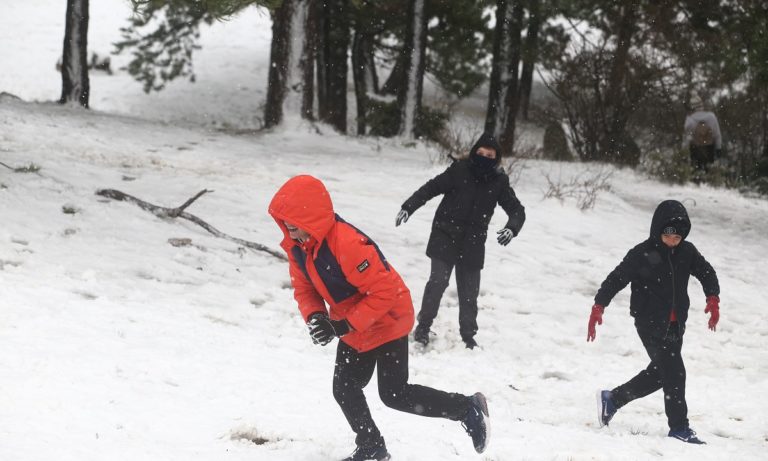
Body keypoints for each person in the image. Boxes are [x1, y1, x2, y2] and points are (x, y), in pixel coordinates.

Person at [268, 175, 490, 461]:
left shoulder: (347, 244)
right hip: (352, 323)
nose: (292, 234)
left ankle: (467, 408)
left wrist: (344, 325)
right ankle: (372, 447)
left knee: (395, 394)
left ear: (310, 218)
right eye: (286, 227)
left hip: (388, 319)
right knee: (345, 388)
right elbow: (304, 287)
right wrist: (315, 318)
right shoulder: (299, 249)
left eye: (295, 227)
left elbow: (384, 292)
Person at [587, 199, 720, 444]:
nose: (673, 241)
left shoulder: (687, 252)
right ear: (658, 229)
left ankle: (613, 399)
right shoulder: (642, 253)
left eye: (678, 237)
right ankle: (679, 427)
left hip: (675, 324)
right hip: (649, 322)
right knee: (675, 371)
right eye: (668, 236)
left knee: (662, 373)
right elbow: (616, 279)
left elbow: (707, 272)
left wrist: (713, 297)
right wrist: (599, 305)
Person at [396, 132, 525, 349]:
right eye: (481, 153)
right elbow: (431, 188)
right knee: (438, 282)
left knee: (469, 293)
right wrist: (409, 206)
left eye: (490, 154)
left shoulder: (499, 182)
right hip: (444, 234)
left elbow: (517, 210)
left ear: (496, 158)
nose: (484, 157)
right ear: (474, 152)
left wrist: (512, 228)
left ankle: (468, 336)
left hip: (473, 242)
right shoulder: (459, 170)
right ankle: (423, 327)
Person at [683, 95, 722, 173]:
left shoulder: (690, 119)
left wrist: (684, 154)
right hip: (709, 149)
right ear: (702, 105)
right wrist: (718, 149)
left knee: (696, 172)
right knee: (709, 172)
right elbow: (717, 135)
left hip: (695, 149)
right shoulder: (711, 117)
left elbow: (686, 139)